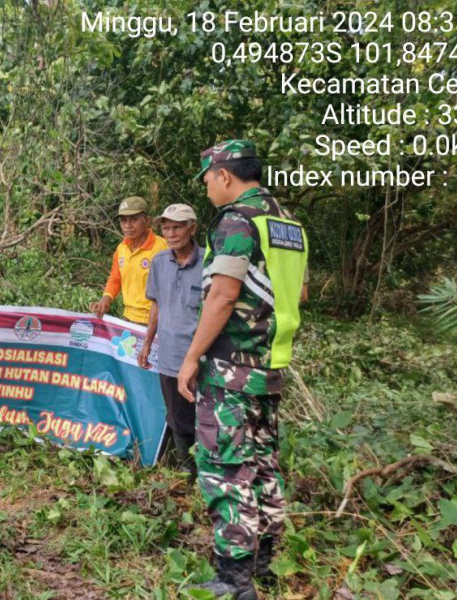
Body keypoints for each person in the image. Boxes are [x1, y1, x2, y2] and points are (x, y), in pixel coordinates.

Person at [177, 140, 308, 598]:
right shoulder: (287, 225)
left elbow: (223, 295)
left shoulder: (237, 221)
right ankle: (265, 564)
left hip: (232, 368)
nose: (208, 189)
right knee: (264, 466)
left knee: (225, 469)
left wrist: (192, 358)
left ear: (225, 175)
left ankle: (234, 581)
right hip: (270, 366)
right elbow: (299, 295)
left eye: (208, 180)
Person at [137, 203, 203, 478]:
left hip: (202, 357)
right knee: (176, 417)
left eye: (177, 226)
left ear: (192, 228)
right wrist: (148, 343)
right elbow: (157, 306)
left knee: (205, 418)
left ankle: (209, 474)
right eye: (166, 227)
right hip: (169, 355)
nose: (171, 233)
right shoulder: (160, 263)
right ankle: (187, 473)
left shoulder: (210, 263)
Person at [89, 196, 167, 324]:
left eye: (134, 219)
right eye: (123, 221)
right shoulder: (121, 249)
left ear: (147, 221)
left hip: (156, 320)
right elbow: (115, 279)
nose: (128, 226)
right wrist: (106, 298)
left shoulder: (163, 248)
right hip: (128, 319)